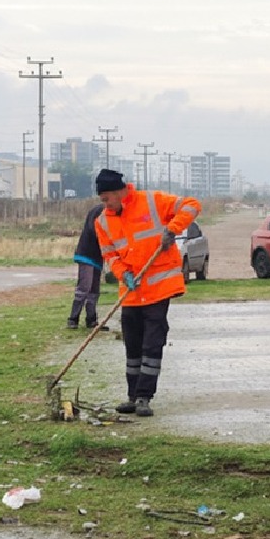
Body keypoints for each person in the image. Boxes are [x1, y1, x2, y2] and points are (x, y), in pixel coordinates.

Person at [93, 169, 200, 417]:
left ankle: (144, 397)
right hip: (131, 292)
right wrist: (122, 274)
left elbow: (192, 205)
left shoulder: (151, 201)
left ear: (120, 192)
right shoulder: (102, 222)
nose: (105, 203)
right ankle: (132, 396)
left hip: (158, 289)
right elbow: (110, 255)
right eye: (102, 199)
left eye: (107, 197)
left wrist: (172, 229)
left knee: (152, 343)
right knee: (132, 344)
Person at [67, 203, 109, 330]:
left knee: (94, 290)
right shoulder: (100, 211)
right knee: (84, 287)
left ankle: (91, 319)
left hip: (97, 256)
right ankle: (73, 318)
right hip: (86, 254)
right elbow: (94, 230)